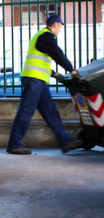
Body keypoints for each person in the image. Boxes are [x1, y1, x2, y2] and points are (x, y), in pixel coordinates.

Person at [7, 14, 83, 155]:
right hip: (34, 79)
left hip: (38, 80)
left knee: (50, 111)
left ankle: (65, 142)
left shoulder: (42, 37)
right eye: (60, 26)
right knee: (26, 111)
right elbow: (57, 54)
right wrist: (71, 69)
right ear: (55, 25)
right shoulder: (46, 36)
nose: (60, 29)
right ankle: (14, 144)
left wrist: (54, 74)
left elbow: (41, 60)